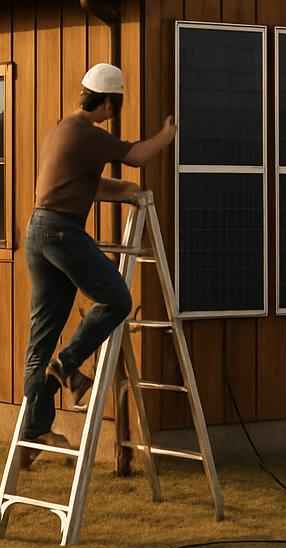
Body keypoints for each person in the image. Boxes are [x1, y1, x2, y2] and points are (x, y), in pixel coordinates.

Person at [18, 62, 177, 468]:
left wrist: (122, 192)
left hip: (38, 231)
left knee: (41, 337)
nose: (113, 113)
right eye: (115, 105)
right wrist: (166, 136)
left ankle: (33, 432)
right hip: (61, 232)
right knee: (117, 300)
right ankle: (68, 366)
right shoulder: (90, 133)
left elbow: (83, 185)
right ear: (107, 101)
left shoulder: (62, 130)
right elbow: (138, 157)